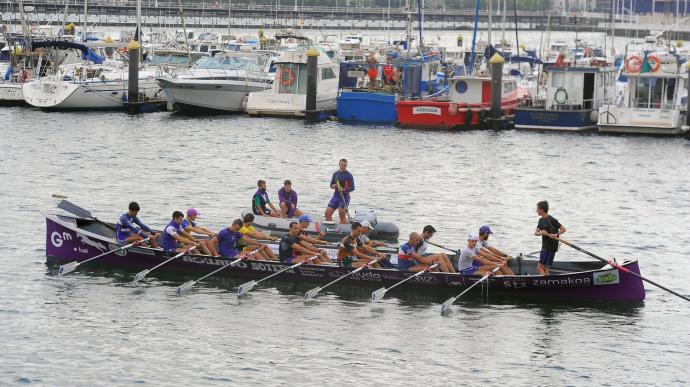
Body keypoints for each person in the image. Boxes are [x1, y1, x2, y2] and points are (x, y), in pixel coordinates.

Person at [534, 200, 566, 276]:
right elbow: (536, 233)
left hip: (550, 247)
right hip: (545, 246)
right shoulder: (541, 220)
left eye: (537, 209)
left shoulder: (552, 220)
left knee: (539, 268)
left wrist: (556, 234)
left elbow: (563, 229)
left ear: (541, 209)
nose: (536, 211)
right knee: (545, 268)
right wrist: (541, 233)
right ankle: (549, 283)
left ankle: (545, 285)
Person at [325, 159, 355, 224]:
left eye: (345, 165)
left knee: (341, 215)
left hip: (344, 197)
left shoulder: (349, 175)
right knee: (327, 213)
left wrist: (343, 189)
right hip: (336, 196)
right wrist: (333, 186)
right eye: (342, 165)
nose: (344, 166)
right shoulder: (335, 174)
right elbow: (331, 185)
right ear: (339, 164)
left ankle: (343, 229)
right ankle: (329, 229)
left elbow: (352, 188)